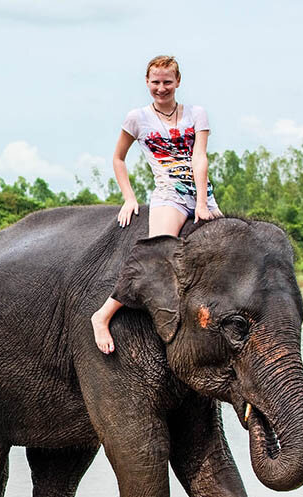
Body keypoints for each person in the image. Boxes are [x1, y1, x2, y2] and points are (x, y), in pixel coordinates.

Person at [91, 55, 223, 354]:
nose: (161, 88)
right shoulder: (137, 118)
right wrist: (129, 197)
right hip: (168, 196)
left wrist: (202, 203)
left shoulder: (196, 114)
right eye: (155, 82)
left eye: (167, 82)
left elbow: (199, 157)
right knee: (156, 257)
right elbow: (118, 158)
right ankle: (103, 315)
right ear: (147, 83)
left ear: (178, 82)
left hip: (202, 192)